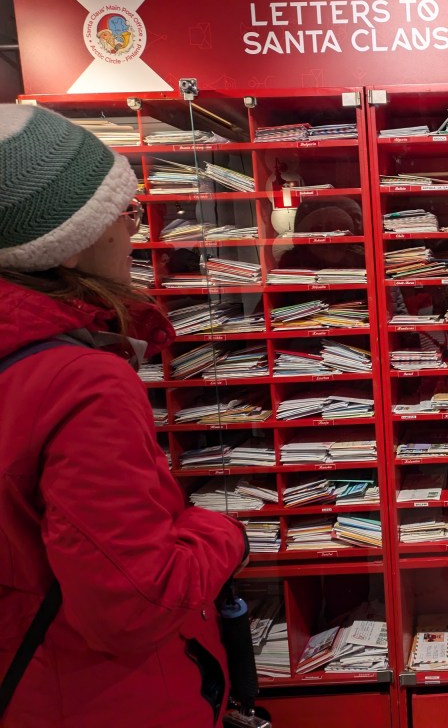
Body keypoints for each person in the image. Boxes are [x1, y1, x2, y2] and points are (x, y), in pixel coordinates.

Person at [0, 104, 248, 727]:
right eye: (126, 215)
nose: (133, 235)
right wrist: (222, 535)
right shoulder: (80, 381)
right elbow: (133, 604)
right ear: (72, 241)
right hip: (95, 694)